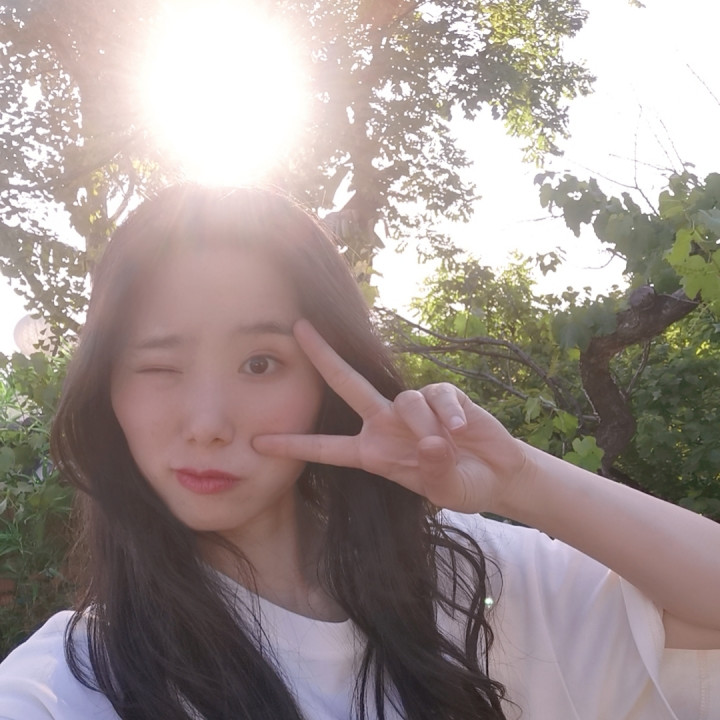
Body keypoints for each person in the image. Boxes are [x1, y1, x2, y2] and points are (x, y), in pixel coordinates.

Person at [0, 185, 718, 720]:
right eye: (159, 367)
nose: (208, 424)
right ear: (108, 391)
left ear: (326, 381)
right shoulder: (68, 685)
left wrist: (519, 479)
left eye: (259, 364)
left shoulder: (465, 581)